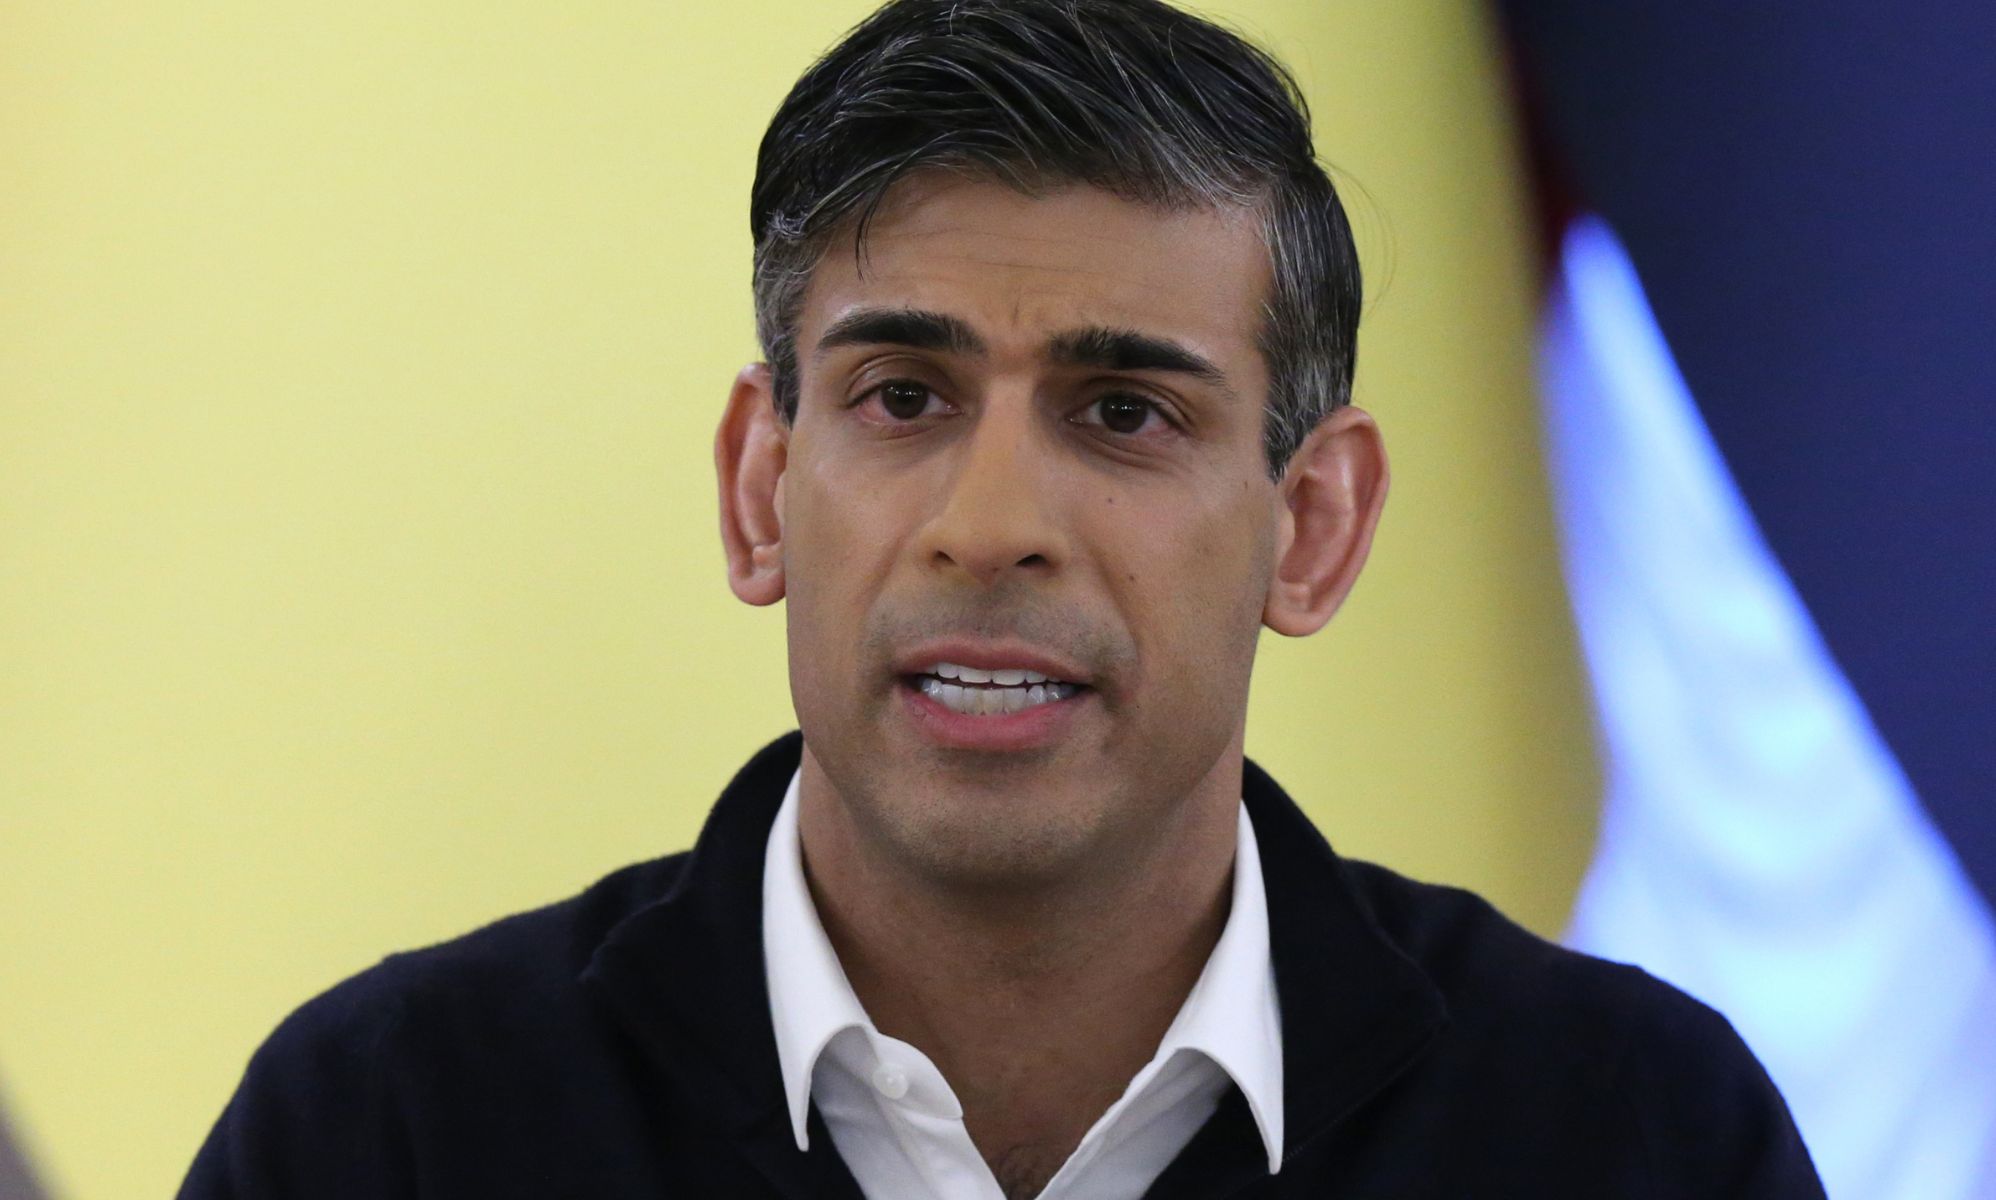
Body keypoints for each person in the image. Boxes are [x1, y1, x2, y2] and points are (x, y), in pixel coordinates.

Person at [178, 1, 1827, 1196]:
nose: (991, 527)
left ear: (1312, 528)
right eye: (903, 397)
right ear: (759, 490)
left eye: (1125, 413)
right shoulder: (388, 1131)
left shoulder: (1632, 1133)